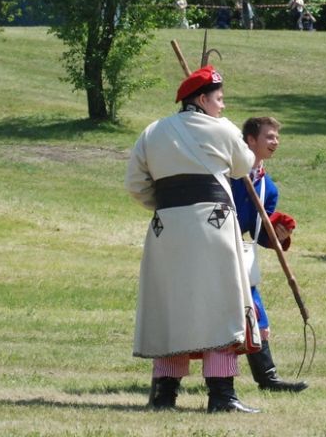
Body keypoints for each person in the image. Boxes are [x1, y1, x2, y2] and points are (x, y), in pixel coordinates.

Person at [124, 65, 262, 414]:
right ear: (202, 99)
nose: (223, 106)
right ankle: (221, 396)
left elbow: (136, 185)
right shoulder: (222, 128)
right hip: (213, 227)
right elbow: (244, 164)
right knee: (219, 306)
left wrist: (170, 208)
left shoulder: (152, 131)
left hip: (166, 229)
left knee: (172, 308)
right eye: (219, 99)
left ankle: (163, 395)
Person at [230, 117, 308, 394]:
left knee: (255, 314)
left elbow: (258, 233)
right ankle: (172, 381)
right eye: (269, 137)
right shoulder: (227, 174)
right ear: (251, 140)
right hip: (212, 252)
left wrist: (278, 235)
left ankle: (268, 379)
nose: (275, 142)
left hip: (240, 256)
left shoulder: (268, 187)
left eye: (276, 137)